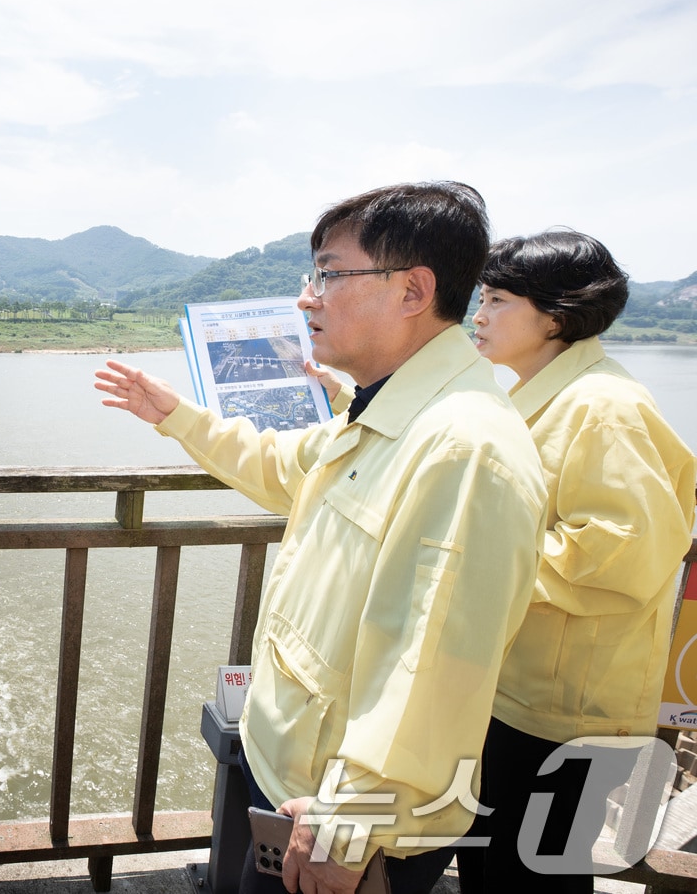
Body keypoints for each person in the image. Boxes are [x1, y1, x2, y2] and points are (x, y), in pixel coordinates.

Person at [96, 181, 548, 894]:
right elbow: (282, 466)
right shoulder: (381, 413)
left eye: (329, 274)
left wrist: (347, 821)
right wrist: (176, 415)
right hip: (297, 789)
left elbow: (428, 665)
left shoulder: (464, 447)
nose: (307, 297)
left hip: (342, 827)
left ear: (413, 290)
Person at [452, 230, 697, 891]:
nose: (479, 313)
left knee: (534, 871)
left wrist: (477, 562)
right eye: (482, 296)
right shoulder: (550, 391)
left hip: (566, 709)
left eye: (497, 299)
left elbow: (625, 550)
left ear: (555, 316)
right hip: (519, 688)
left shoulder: (605, 409)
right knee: (494, 859)